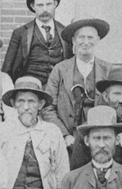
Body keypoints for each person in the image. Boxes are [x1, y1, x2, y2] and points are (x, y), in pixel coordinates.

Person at [45, 18, 112, 147]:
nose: (86, 42)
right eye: (81, 37)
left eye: (90, 38)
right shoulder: (60, 70)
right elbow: (47, 108)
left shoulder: (108, 70)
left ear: (98, 40)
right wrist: (64, 135)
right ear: (73, 40)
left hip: (99, 138)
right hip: (69, 139)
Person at [2, 0, 71, 85]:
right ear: (32, 6)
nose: (45, 9)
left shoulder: (65, 32)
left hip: (58, 90)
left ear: (55, 4)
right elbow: (7, 69)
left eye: (48, 4)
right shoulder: (20, 33)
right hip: (30, 90)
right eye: (40, 5)